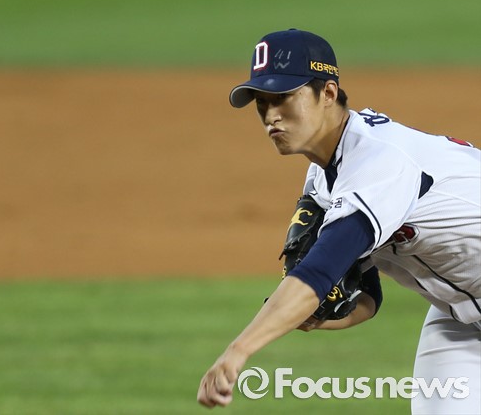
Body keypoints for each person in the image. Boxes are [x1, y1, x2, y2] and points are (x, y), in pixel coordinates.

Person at [197, 29, 481, 414]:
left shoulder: (379, 163)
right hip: (460, 315)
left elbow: (317, 273)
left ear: (328, 93)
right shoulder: (322, 176)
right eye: (262, 102)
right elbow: (367, 297)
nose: (270, 115)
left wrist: (238, 351)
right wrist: (315, 318)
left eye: (283, 97)